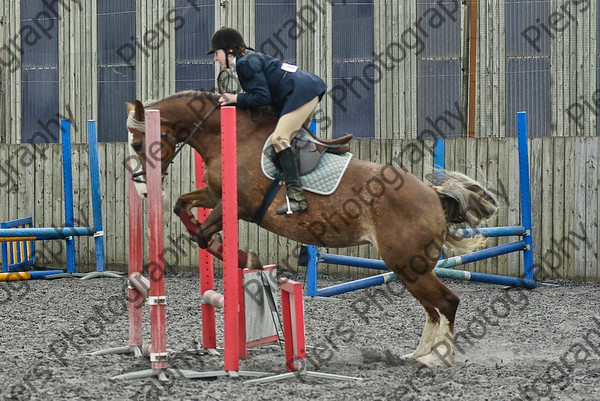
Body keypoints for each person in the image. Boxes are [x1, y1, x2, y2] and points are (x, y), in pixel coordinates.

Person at [207, 27, 327, 215]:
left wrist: (235, 98)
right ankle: (309, 187)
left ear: (229, 50)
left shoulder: (244, 64)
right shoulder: (249, 60)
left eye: (216, 53)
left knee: (279, 140)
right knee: (291, 142)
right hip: (307, 89)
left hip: (300, 94)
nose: (215, 59)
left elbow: (262, 97)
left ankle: (297, 197)